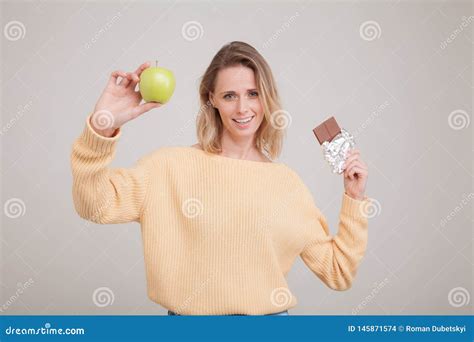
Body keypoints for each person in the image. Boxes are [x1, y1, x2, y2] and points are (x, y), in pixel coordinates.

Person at [70, 41, 370, 316]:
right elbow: (94, 205)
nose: (243, 108)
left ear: (266, 98)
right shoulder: (168, 167)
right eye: (229, 96)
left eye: (253, 94)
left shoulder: (287, 184)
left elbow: (338, 272)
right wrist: (101, 126)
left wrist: (354, 199)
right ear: (211, 98)